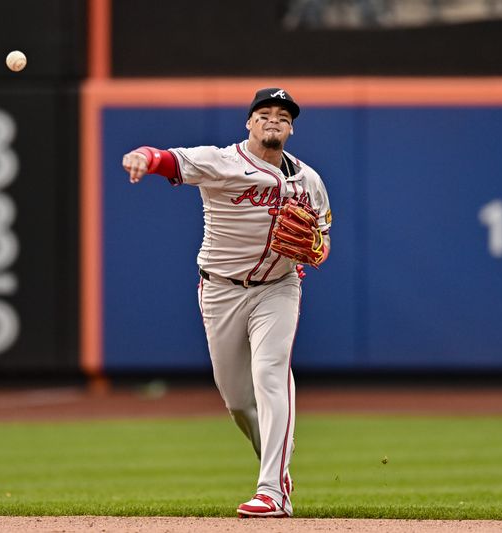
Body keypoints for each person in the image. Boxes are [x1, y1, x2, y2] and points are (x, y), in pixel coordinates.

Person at [121, 88, 332, 518]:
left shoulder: (309, 180)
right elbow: (169, 159)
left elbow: (323, 240)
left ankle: (272, 489)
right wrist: (144, 157)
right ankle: (277, 471)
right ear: (249, 123)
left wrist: (314, 247)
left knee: (270, 375)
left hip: (278, 288)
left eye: (282, 116)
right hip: (219, 289)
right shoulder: (223, 162)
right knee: (238, 400)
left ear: (291, 128)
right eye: (264, 113)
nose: (273, 120)